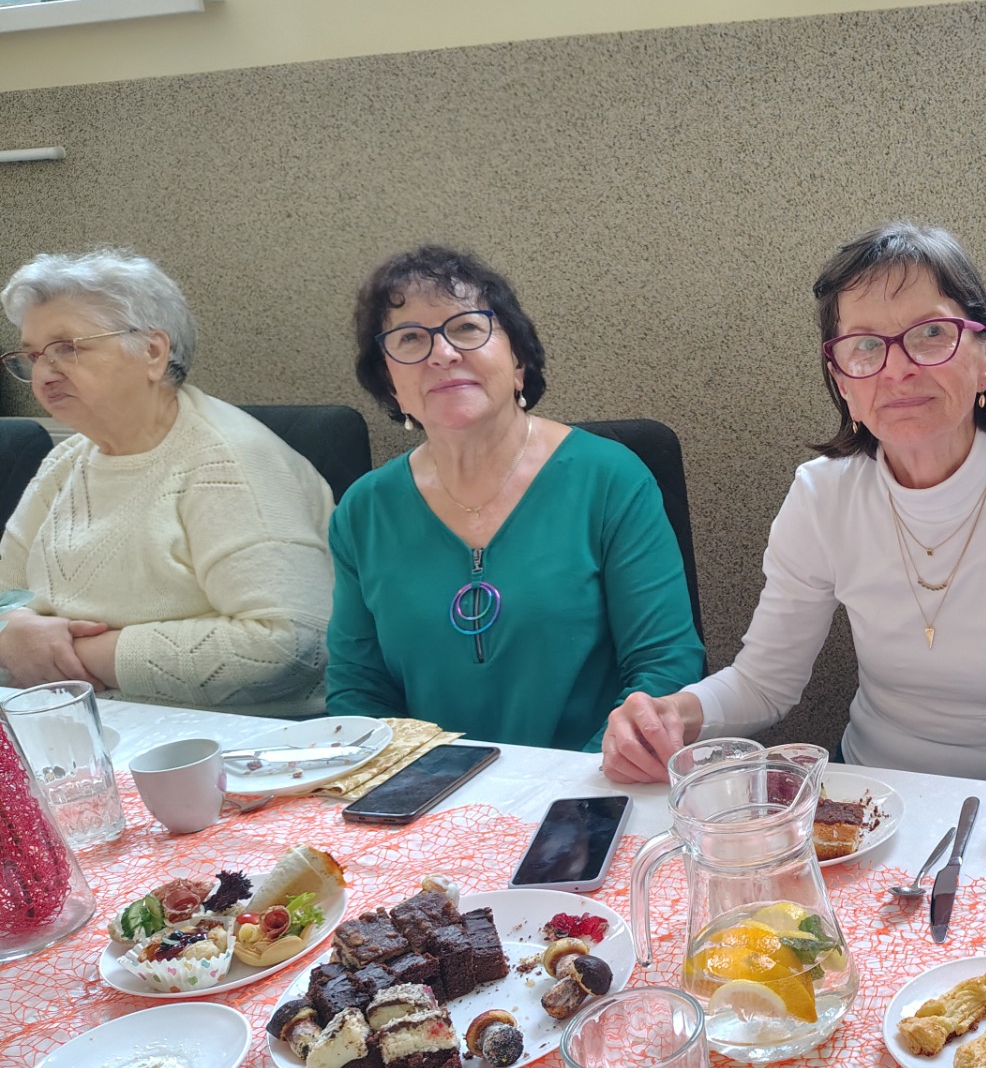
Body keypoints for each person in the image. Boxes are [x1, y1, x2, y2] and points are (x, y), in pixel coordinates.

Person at [602, 222, 986, 828]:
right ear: (841, 381)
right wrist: (670, 714)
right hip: (872, 804)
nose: (897, 370)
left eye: (931, 335)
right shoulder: (822, 496)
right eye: (865, 346)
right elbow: (764, 683)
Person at [326, 246, 703, 751]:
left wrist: (586, 776)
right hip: (426, 788)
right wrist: (413, 784)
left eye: (466, 327)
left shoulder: (610, 479)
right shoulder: (363, 511)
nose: (442, 353)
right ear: (391, 385)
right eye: (410, 338)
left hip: (589, 780)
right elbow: (358, 692)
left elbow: (664, 666)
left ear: (518, 360)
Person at [0, 249, 333, 715]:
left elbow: (289, 644)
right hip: (77, 726)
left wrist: (78, 658)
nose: (43, 372)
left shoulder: (229, 462)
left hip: (232, 740)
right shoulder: (66, 461)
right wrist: (11, 633)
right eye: (32, 355)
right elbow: (5, 595)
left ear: (153, 352)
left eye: (66, 348)